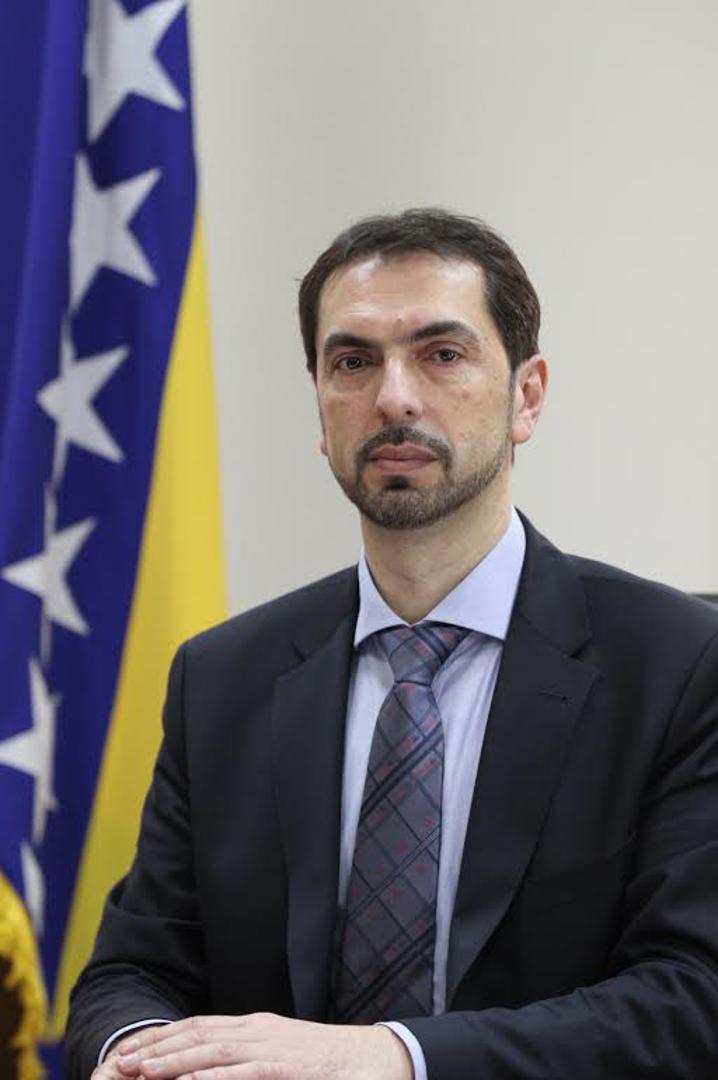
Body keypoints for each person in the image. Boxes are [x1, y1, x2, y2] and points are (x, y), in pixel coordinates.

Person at [65, 209, 718, 1080]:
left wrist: (389, 1058)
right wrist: (137, 1057)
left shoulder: (680, 666)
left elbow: (692, 1001)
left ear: (527, 397)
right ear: (320, 408)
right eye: (353, 362)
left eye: (441, 355)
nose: (394, 398)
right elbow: (132, 971)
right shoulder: (221, 679)